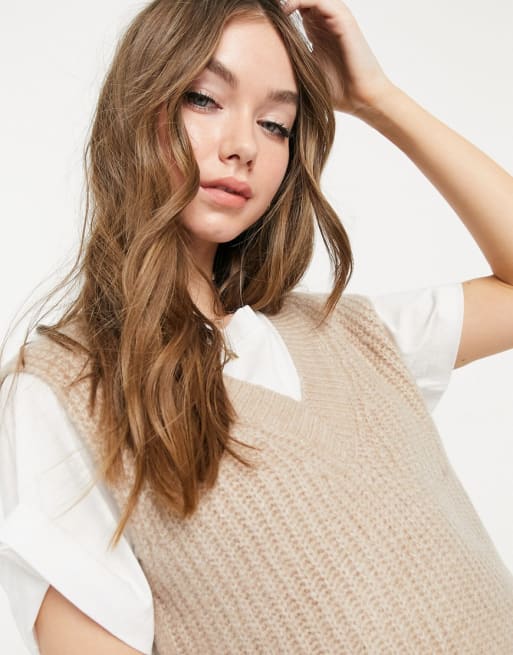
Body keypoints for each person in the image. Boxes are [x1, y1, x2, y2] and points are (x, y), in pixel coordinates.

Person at [1, 0, 512, 653]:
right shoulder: (63, 393)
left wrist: (378, 100)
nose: (243, 145)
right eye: (204, 99)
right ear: (136, 108)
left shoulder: (356, 336)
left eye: (275, 124)